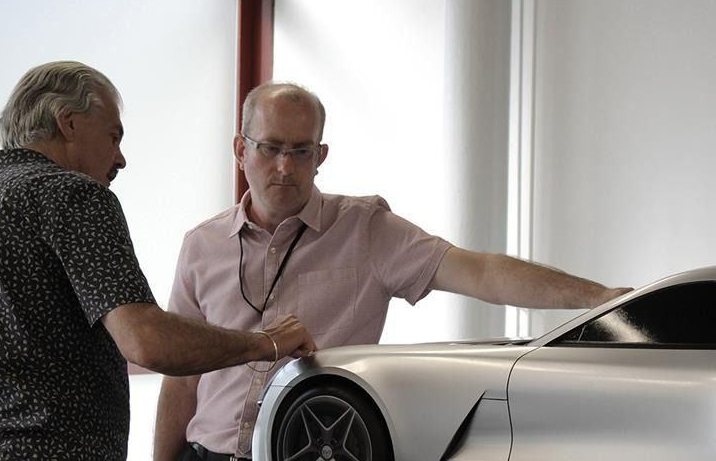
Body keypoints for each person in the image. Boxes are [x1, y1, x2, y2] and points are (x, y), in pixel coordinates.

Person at [154, 81, 633, 461]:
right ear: (240, 150)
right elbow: (180, 379)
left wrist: (596, 297)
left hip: (318, 452)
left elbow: (480, 272)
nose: (284, 166)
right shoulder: (202, 245)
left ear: (321, 157)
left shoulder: (366, 229)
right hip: (206, 455)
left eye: (301, 151)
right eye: (270, 147)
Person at [0, 61, 317, 460]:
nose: (120, 159)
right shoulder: (74, 196)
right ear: (69, 123)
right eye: (113, 136)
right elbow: (146, 341)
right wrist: (265, 343)